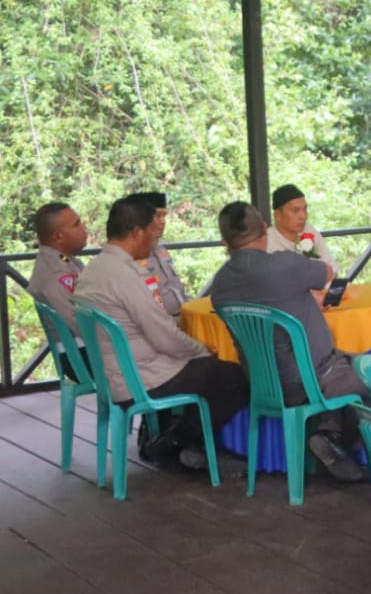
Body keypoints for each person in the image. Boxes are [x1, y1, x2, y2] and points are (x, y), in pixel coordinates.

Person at [74, 195, 249, 472]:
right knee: (234, 375)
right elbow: (164, 336)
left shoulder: (94, 270)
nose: (155, 241)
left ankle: (186, 443)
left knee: (213, 370)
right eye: (151, 234)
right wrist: (202, 349)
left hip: (117, 374)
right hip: (141, 378)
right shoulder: (125, 276)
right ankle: (179, 443)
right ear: (136, 233)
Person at [209, 202, 365, 482]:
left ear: (224, 241)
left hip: (261, 383)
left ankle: (329, 433)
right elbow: (327, 273)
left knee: (348, 363)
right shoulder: (283, 264)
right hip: (314, 378)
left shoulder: (219, 284)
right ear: (265, 230)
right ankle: (351, 448)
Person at [27, 202, 90, 355]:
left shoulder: (61, 260)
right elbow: (80, 323)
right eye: (77, 225)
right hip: (83, 354)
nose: (84, 228)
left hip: (83, 349)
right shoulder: (56, 273)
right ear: (58, 236)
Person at [129, 190, 189, 316]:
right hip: (162, 323)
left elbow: (178, 288)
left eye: (164, 216)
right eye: (157, 216)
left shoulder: (162, 252)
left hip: (185, 314)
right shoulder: (132, 256)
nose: (163, 221)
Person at [266, 184, 338, 278]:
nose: (303, 216)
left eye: (305, 209)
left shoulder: (309, 231)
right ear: (278, 215)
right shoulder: (266, 242)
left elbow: (332, 267)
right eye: (295, 211)